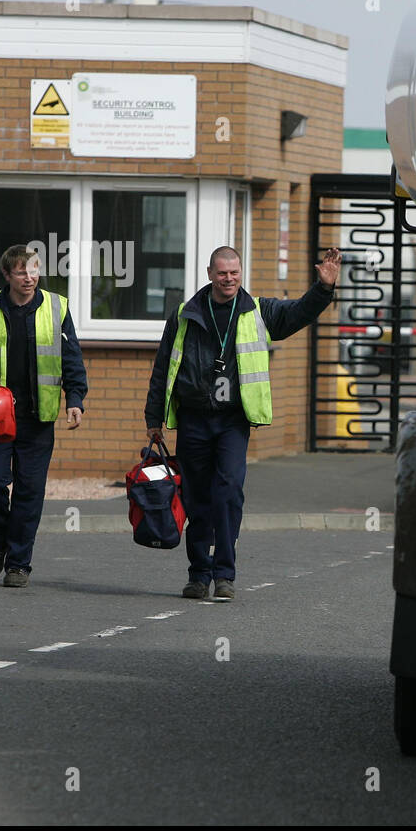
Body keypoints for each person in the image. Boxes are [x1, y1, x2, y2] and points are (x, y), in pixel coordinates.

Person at [144, 245, 340, 601]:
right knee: (197, 498)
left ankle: (225, 575)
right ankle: (199, 574)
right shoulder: (185, 315)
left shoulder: (257, 310)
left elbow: (297, 314)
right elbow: (162, 367)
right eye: (222, 273)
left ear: (240, 273)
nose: (229, 279)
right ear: (209, 274)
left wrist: (323, 288)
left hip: (233, 421)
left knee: (229, 492)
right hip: (193, 419)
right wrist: (153, 417)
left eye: (234, 273)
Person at [0, 245, 88, 587]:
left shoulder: (57, 307)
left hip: (38, 418)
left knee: (29, 491)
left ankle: (18, 564)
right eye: (22, 272)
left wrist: (76, 399)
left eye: (35, 270)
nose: (30, 278)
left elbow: (71, 357)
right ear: (8, 276)